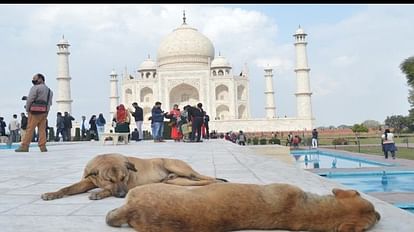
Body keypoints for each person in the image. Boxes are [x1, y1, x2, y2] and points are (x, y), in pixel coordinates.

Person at [15, 73, 53, 152]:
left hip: (34, 112)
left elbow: (30, 100)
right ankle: (43, 147)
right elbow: (49, 103)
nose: (33, 80)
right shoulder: (49, 91)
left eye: (35, 79)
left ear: (41, 79)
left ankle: (24, 146)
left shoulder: (35, 88)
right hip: (44, 112)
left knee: (30, 129)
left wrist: (27, 109)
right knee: (42, 130)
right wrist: (46, 112)